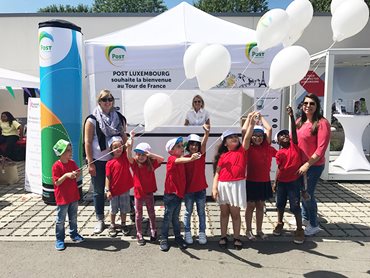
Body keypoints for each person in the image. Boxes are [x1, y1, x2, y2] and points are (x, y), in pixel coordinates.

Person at [84, 89, 127, 234]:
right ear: (99, 102)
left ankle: (124, 217)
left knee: (121, 188)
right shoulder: (92, 119)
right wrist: (90, 163)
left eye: (110, 99)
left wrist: (127, 155)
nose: (107, 102)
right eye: (104, 100)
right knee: (98, 191)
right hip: (99, 160)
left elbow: (124, 137)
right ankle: (100, 219)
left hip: (116, 160)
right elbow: (88, 142)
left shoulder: (119, 118)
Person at [212, 120, 254, 250]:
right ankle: (223, 236)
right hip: (223, 186)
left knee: (235, 214)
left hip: (237, 186)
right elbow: (217, 173)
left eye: (235, 136)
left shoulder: (242, 151)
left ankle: (236, 237)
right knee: (224, 213)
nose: (234, 138)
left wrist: (251, 123)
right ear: (225, 143)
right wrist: (214, 187)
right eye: (230, 137)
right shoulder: (222, 156)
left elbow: (247, 136)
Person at [296, 93, 330, 236]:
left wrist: (307, 165)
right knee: (302, 192)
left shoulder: (322, 123)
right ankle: (305, 218)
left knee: (307, 194)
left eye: (312, 104)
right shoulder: (299, 121)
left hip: (313, 166)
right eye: (306, 103)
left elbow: (321, 149)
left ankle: (314, 224)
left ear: (317, 106)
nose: (308, 106)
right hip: (300, 165)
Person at [159, 137, 201, 252]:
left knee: (175, 219)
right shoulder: (172, 159)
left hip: (178, 195)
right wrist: (191, 159)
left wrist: (192, 158)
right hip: (171, 195)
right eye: (178, 146)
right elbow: (179, 161)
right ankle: (163, 238)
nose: (182, 148)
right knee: (167, 218)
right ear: (171, 151)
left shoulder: (181, 159)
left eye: (182, 146)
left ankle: (178, 237)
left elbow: (184, 161)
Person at [272, 106, 304, 244]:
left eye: (286, 134)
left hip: (294, 182)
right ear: (278, 141)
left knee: (295, 206)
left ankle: (299, 229)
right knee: (280, 204)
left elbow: (294, 132)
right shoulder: (279, 153)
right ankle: (279, 223)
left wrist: (291, 116)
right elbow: (279, 168)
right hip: (282, 183)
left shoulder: (294, 145)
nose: (284, 136)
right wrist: (275, 182)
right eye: (281, 135)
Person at [243, 111, 276, 241]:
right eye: (255, 135)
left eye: (260, 135)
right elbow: (245, 131)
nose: (258, 138)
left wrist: (261, 117)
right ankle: (248, 230)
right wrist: (251, 119)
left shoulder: (266, 146)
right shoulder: (247, 148)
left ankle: (259, 230)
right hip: (251, 181)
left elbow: (269, 128)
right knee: (250, 206)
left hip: (264, 181)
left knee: (260, 206)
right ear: (251, 137)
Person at [127, 134, 164, 246]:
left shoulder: (152, 164)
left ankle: (153, 230)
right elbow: (128, 156)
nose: (141, 157)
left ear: (147, 155)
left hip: (149, 192)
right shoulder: (134, 164)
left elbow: (162, 159)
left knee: (151, 212)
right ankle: (139, 233)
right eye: (138, 154)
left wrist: (150, 154)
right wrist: (130, 143)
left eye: (143, 154)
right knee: (138, 215)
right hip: (138, 193)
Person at [52, 139, 84, 251]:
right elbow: (56, 182)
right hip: (62, 198)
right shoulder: (56, 166)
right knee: (60, 220)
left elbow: (76, 177)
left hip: (73, 196)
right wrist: (66, 175)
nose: (71, 152)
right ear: (60, 153)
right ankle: (60, 239)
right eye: (68, 150)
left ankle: (74, 234)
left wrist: (77, 174)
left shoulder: (73, 163)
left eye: (71, 150)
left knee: (73, 217)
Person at [183, 124, 210, 245]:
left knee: (201, 212)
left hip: (201, 189)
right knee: (188, 212)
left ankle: (202, 233)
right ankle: (187, 232)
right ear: (188, 146)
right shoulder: (185, 158)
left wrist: (206, 134)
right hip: (188, 190)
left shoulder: (201, 155)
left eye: (196, 144)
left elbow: (204, 144)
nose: (194, 146)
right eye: (192, 144)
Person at [105, 136, 134, 237]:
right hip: (113, 191)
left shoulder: (125, 158)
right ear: (111, 150)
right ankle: (112, 224)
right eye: (115, 147)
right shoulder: (109, 163)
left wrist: (130, 143)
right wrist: (108, 190)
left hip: (124, 190)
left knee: (124, 209)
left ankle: (123, 224)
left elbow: (129, 150)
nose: (118, 148)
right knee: (113, 210)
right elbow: (108, 178)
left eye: (120, 146)